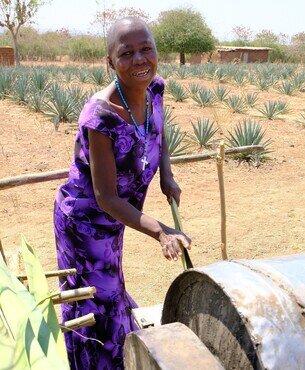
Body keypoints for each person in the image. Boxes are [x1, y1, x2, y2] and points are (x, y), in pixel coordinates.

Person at [54, 16, 191, 370]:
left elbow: (157, 131)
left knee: (111, 289)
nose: (140, 59)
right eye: (126, 53)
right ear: (110, 62)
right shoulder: (99, 117)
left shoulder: (154, 89)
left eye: (146, 48)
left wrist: (166, 174)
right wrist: (160, 230)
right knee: (94, 301)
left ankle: (118, 354)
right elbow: (106, 198)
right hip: (85, 224)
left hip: (118, 217)